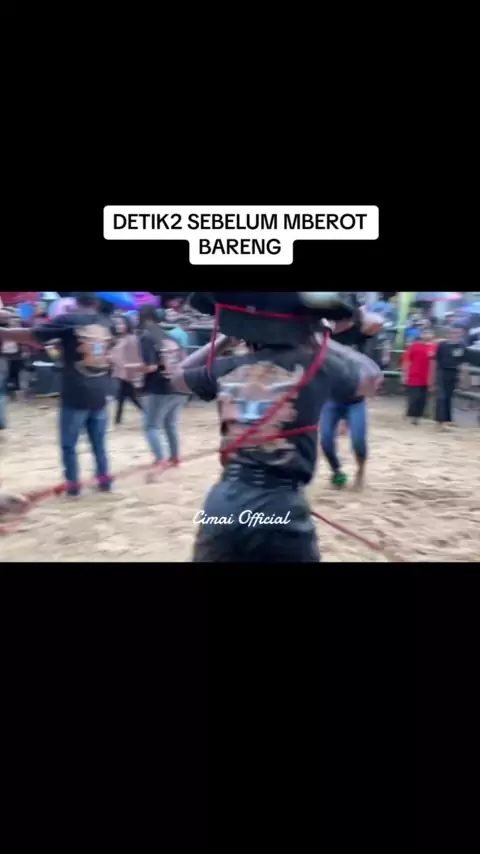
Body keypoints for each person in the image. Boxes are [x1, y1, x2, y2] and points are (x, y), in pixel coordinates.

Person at [166, 292, 382, 563]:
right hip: (281, 506)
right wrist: (319, 336)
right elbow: (372, 379)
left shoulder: (228, 367)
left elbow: (176, 377)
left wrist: (225, 338)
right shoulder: (317, 366)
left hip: (223, 504)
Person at [0, 293, 114, 497]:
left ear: (76, 302)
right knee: (99, 443)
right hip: (100, 390)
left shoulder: (69, 319)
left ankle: (73, 487)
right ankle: (104, 481)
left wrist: (4, 333)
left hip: (76, 392)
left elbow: (32, 335)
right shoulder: (106, 322)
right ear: (95, 303)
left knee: (69, 444)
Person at [320, 302, 384, 490]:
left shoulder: (358, 333)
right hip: (331, 398)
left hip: (356, 399)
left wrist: (360, 315)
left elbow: (378, 322)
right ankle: (337, 472)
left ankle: (360, 470)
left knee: (358, 441)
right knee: (325, 441)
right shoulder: (325, 336)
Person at [138, 305, 188, 467]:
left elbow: (150, 367)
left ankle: (160, 459)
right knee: (170, 424)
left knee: (151, 426)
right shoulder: (171, 336)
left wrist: (129, 367)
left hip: (161, 386)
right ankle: (175, 457)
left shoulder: (147, 337)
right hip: (180, 384)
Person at [110, 314, 144, 425]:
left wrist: (133, 373)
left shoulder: (131, 339)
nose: (118, 326)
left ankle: (149, 414)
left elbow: (134, 357)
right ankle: (117, 420)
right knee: (123, 395)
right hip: (121, 372)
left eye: (121, 324)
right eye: (117, 324)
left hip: (127, 372)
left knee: (131, 396)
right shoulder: (121, 339)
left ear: (127, 325)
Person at [401, 325, 437, 424]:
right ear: (421, 335)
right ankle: (411, 415)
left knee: (423, 398)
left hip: (428, 377)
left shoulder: (435, 347)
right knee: (414, 396)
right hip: (415, 375)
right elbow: (407, 360)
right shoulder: (414, 346)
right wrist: (405, 374)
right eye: (425, 333)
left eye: (429, 333)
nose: (427, 335)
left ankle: (417, 416)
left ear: (433, 335)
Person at [434, 326, 468, 428]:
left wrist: (462, 375)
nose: (456, 335)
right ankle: (441, 420)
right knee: (442, 395)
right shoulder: (442, 345)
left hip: (454, 371)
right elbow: (437, 359)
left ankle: (448, 419)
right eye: (454, 333)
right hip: (442, 371)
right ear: (449, 334)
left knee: (449, 396)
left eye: (459, 333)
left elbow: (462, 361)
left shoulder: (461, 345)